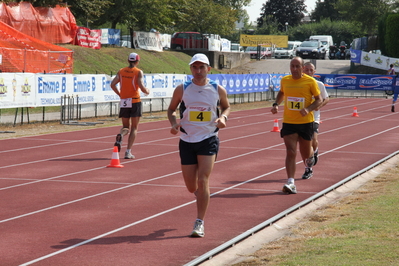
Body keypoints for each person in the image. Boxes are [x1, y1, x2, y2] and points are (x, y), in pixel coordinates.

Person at [167, 53, 230, 237]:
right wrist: (173, 124)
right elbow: (171, 109)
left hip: (208, 138)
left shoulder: (217, 89)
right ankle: (200, 195)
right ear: (190, 69)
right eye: (195, 67)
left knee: (203, 181)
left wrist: (223, 117)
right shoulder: (183, 89)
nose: (198, 71)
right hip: (187, 139)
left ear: (208, 69)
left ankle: (199, 222)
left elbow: (226, 106)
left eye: (202, 67)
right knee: (191, 186)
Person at [271, 57, 322, 194]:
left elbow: (319, 100)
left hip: (306, 123)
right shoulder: (285, 80)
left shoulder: (310, 81)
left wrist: (308, 109)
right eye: (292, 66)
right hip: (289, 122)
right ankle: (290, 182)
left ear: (302, 68)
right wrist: (276, 104)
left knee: (306, 156)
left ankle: (313, 153)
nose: (294, 69)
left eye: (297, 66)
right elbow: (282, 92)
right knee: (290, 151)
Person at [111, 52, 150, 159]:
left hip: (124, 101)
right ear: (137, 61)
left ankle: (122, 135)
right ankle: (128, 152)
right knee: (134, 128)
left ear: (128, 60)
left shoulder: (121, 71)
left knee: (125, 127)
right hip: (135, 101)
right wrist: (147, 91)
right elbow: (141, 86)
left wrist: (120, 94)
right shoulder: (138, 72)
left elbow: (112, 84)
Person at [301, 62, 329, 179]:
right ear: (303, 70)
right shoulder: (298, 84)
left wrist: (319, 105)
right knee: (304, 145)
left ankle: (315, 149)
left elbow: (326, 98)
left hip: (314, 118)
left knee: (313, 141)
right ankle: (308, 169)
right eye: (306, 70)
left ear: (314, 72)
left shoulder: (319, 84)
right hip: (300, 119)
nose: (308, 72)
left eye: (310, 70)